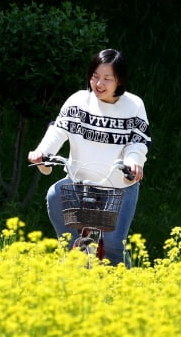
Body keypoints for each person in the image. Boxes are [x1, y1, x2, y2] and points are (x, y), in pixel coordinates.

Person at [28, 48, 151, 266]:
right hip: (79, 181)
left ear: (120, 81)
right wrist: (43, 152)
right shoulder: (77, 101)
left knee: (113, 245)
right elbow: (59, 130)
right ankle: (75, 262)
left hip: (118, 185)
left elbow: (137, 142)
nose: (99, 84)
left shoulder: (134, 105)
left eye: (106, 78)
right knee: (55, 195)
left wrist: (134, 161)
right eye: (95, 77)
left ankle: (126, 291)